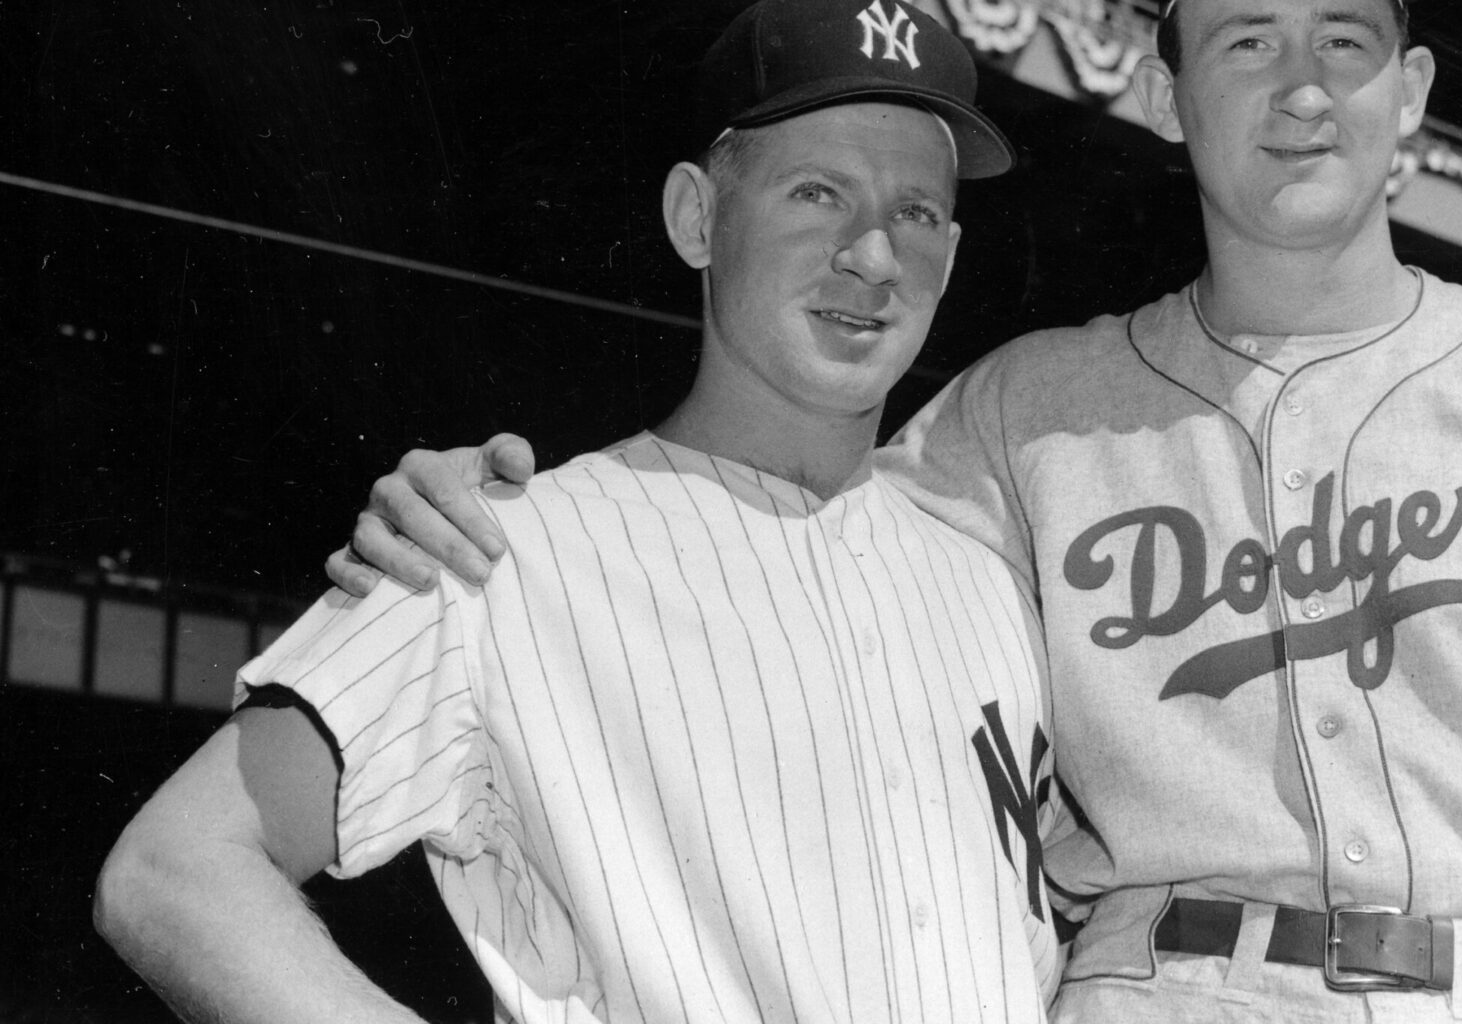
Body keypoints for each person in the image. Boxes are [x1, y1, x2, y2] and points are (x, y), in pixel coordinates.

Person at [334, 1, 1462, 1021]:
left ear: (1411, 94)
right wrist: (479, 511)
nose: (1301, 89)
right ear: (1165, 93)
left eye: (1344, 44)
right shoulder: (1018, 413)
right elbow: (779, 528)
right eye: (1243, 41)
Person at [94, 2, 1063, 1021]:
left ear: (949, 255)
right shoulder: (500, 546)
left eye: (912, 211)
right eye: (816, 192)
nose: (871, 255)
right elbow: (175, 868)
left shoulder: (990, 588)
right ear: (697, 217)